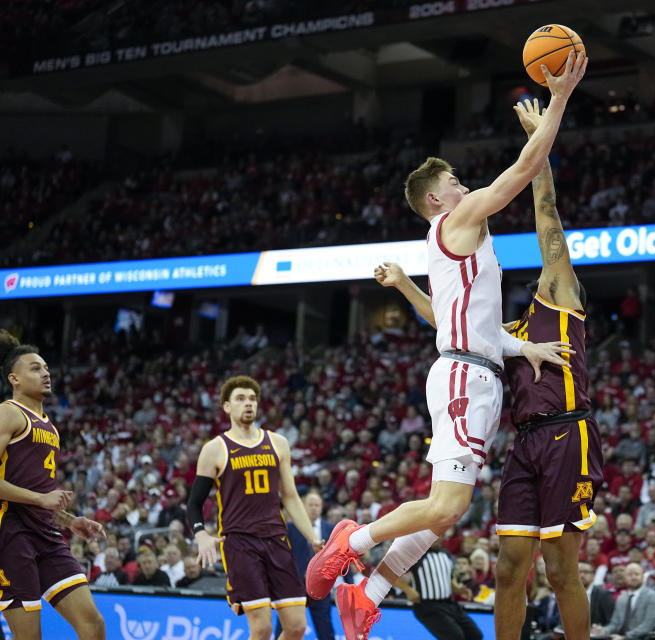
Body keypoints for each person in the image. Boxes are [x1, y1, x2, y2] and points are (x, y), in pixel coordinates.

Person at [311, 52, 589, 640]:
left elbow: (455, 321)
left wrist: (521, 351)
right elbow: (525, 170)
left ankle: (370, 593)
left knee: (451, 509)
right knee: (442, 508)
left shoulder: (461, 248)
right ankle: (350, 542)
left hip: (474, 370)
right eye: (455, 184)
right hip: (466, 379)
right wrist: (560, 99)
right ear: (438, 201)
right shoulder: (454, 225)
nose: (464, 186)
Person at [188, 375, 320, 640]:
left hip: (277, 539)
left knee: (296, 628)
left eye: (252, 399)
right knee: (261, 629)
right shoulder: (215, 449)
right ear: (227, 407)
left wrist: (313, 538)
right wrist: (201, 534)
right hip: (240, 543)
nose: (248, 404)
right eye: (240, 399)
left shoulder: (277, 443)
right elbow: (194, 503)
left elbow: (291, 498)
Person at [0, 330, 106, 640]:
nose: (45, 373)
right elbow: (38, 496)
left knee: (93, 624)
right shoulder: (8, 413)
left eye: (46, 367)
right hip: (10, 534)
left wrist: (71, 521)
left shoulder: (49, 426)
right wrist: (42, 499)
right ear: (14, 379)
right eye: (35, 368)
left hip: (46, 533)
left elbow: (38, 494)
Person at [275, 492, 337, 640]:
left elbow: (339, 556)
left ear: (322, 507)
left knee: (325, 630)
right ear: (303, 506)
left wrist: (348, 584)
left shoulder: (331, 529)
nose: (314, 508)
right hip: (294, 585)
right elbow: (280, 555)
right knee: (284, 627)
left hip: (321, 587)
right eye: (311, 505)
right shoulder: (290, 527)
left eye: (317, 505)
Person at [395, 538, 482, 640]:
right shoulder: (416, 554)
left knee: (475, 635)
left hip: (449, 604)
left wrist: (458, 589)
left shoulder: (446, 554)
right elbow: (391, 574)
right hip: (427, 606)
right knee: (454, 637)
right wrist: (408, 590)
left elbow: (448, 579)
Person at [592, 563, 655, 640]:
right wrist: (603, 630)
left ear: (642, 576)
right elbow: (615, 623)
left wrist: (625, 637)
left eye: (637, 574)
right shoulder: (622, 597)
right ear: (624, 577)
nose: (633, 577)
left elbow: (648, 625)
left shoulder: (653, 596)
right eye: (629, 574)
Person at [579, 561, 614, 627]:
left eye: (585, 572)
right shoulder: (569, 595)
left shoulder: (604, 595)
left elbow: (610, 622)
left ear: (593, 576)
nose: (582, 575)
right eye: (579, 572)